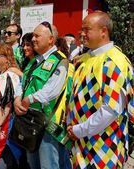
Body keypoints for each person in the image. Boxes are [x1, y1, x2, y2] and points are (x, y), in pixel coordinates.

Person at [66, 11, 134, 168]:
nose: (81, 34)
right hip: (81, 145)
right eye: (81, 29)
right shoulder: (86, 59)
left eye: (87, 29)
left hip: (104, 149)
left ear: (103, 31)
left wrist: (78, 130)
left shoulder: (115, 61)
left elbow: (110, 110)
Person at [14, 22, 70, 169]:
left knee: (48, 165)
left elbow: (53, 90)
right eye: (33, 35)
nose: (33, 39)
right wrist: (17, 98)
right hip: (31, 121)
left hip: (48, 125)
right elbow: (23, 82)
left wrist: (29, 99)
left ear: (51, 39)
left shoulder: (60, 60)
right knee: (33, 164)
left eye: (37, 35)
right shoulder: (34, 61)